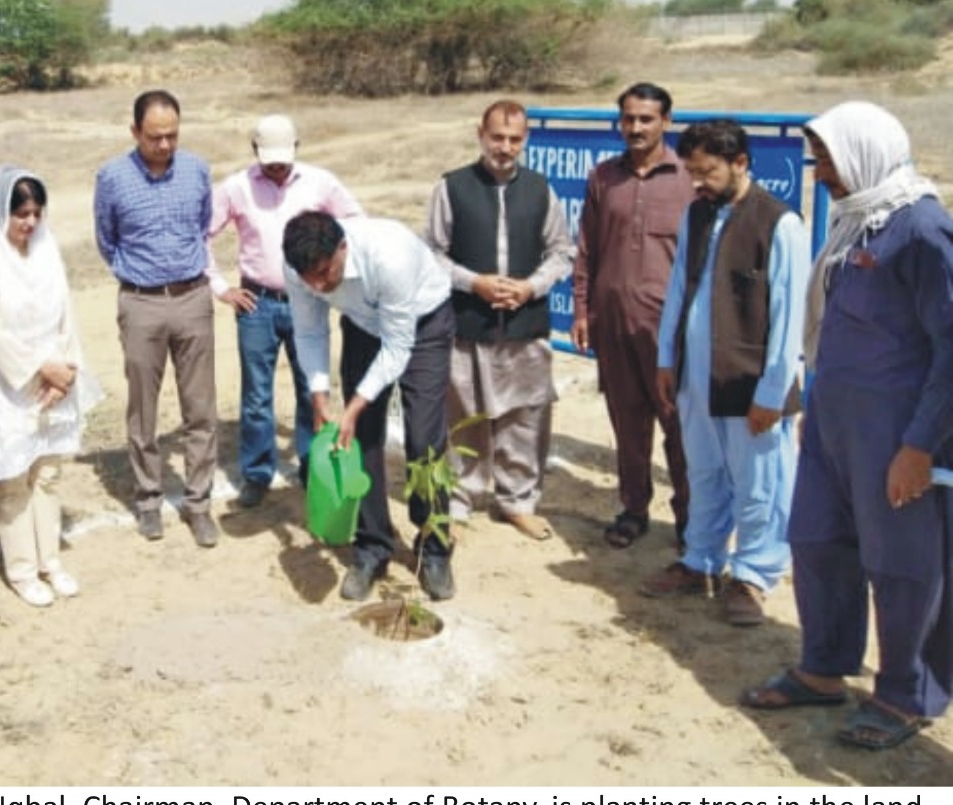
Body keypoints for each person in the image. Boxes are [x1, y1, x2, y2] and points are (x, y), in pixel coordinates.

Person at [742, 102, 953, 750]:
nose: (822, 171)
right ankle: (823, 667)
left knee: (903, 565)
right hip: (833, 429)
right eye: (818, 157)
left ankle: (905, 694)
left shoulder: (920, 229)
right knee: (817, 542)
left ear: (866, 150)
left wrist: (919, 446)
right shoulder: (856, 221)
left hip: (896, 437)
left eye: (829, 157)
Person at [645, 119, 809, 627]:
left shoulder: (779, 223)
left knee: (760, 486)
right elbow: (679, 289)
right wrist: (668, 359)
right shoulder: (698, 214)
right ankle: (701, 561)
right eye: (692, 171)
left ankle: (753, 576)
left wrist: (772, 392)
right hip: (698, 378)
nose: (698, 182)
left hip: (751, 386)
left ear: (740, 163)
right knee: (705, 474)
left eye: (707, 171)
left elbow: (788, 317)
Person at [283, 211, 456, 601]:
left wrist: (356, 403)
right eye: (310, 278)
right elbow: (309, 331)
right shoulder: (298, 268)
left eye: (326, 272)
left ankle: (435, 547)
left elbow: (398, 346)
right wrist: (320, 396)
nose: (320, 285)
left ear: (343, 247)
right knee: (359, 440)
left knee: (424, 437)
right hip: (362, 325)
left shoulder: (388, 255)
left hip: (423, 323)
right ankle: (372, 546)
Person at [426, 99, 574, 541]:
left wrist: (530, 287)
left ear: (525, 140)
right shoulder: (451, 187)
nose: (505, 147)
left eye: (514, 139)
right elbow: (432, 252)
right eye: (497, 138)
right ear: (481, 135)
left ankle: (517, 501)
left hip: (525, 324)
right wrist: (476, 283)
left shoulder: (540, 188)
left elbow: (562, 251)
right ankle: (459, 498)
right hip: (468, 322)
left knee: (525, 417)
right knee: (463, 416)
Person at [208, 114, 364, 507]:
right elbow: (199, 235)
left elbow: (356, 224)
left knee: (310, 386)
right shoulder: (236, 188)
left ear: (297, 147)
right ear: (254, 151)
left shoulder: (320, 182)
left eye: (283, 156)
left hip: (307, 301)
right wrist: (221, 288)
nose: (276, 165)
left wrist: (334, 273)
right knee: (257, 394)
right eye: (268, 158)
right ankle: (257, 473)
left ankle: (314, 466)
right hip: (256, 302)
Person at [0, 166, 100, 607]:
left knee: (49, 474)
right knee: (14, 481)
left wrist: (68, 371)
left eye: (37, 213)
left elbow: (66, 316)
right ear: (1, 210)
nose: (30, 223)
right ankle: (21, 570)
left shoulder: (46, 250)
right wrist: (42, 369)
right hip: (9, 384)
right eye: (21, 213)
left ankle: (50, 561)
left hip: (55, 379)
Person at [571, 83, 694, 551]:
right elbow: (587, 249)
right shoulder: (605, 177)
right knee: (627, 422)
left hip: (670, 331)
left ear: (666, 121)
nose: (636, 128)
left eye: (646, 119)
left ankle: (690, 518)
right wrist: (583, 309)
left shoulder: (687, 178)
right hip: (614, 324)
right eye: (628, 119)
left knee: (679, 426)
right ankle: (634, 508)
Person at [94, 90, 219, 547]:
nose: (165, 145)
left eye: (172, 135)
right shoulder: (111, 178)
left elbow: (203, 227)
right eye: (154, 137)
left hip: (193, 298)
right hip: (141, 303)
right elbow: (106, 240)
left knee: (200, 408)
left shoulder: (198, 170)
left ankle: (199, 503)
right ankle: (148, 500)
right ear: (134, 132)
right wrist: (140, 279)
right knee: (142, 409)